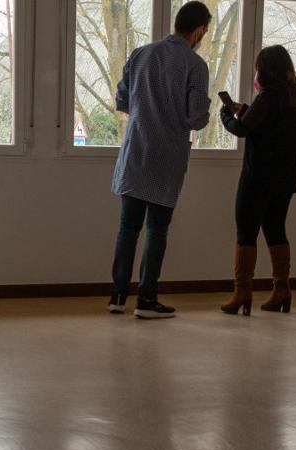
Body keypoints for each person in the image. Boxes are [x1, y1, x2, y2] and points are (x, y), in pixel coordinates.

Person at [107, 1, 212, 320]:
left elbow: (122, 100)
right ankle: (147, 300)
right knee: (157, 229)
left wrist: (146, 112)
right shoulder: (195, 65)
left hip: (136, 150)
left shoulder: (141, 53)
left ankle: (118, 296)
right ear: (198, 30)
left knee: (128, 227)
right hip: (166, 157)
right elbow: (195, 118)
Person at [217, 44, 296, 315]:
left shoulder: (267, 98)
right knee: (276, 229)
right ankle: (282, 290)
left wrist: (226, 115)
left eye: (258, 68)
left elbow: (242, 129)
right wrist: (245, 108)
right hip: (285, 178)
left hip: (258, 177)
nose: (256, 73)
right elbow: (269, 125)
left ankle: (242, 292)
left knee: (246, 232)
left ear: (266, 70)